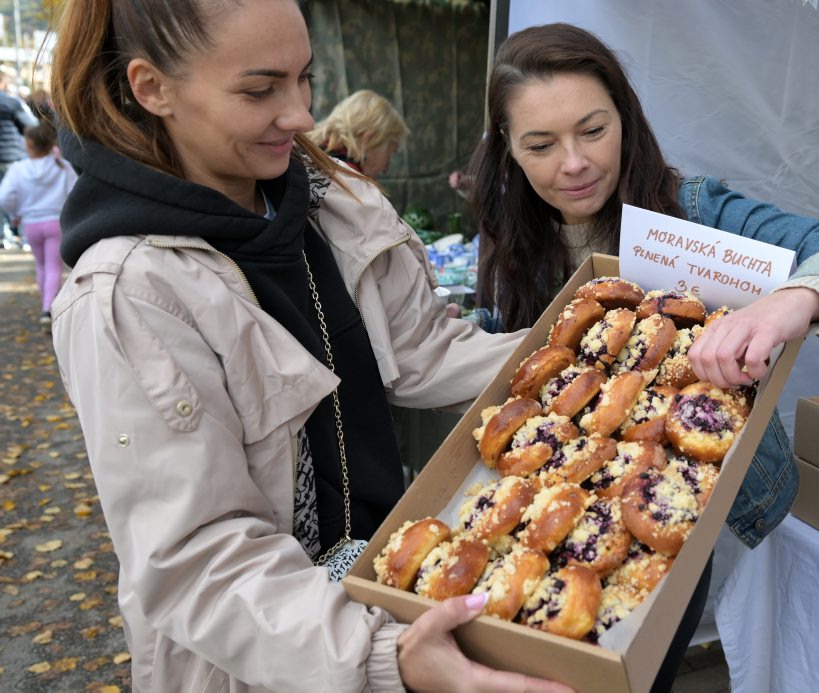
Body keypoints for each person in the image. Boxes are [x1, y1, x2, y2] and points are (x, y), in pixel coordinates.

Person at [48, 2, 570, 692]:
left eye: (306, 79)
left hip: (391, 593)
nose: (298, 115)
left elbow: (428, 350)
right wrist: (385, 658)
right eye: (260, 89)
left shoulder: (332, 202)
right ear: (153, 88)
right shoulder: (130, 294)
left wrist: (581, 346)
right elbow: (200, 559)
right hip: (268, 663)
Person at [467, 22, 819, 688]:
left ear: (626, 117)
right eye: (540, 143)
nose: (574, 163)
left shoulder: (698, 213)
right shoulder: (507, 239)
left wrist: (785, 302)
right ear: (507, 147)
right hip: (543, 523)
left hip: (674, 517)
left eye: (593, 130)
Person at [0, 122, 77, 323]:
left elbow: (4, 197)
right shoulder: (63, 166)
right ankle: (48, 308)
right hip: (56, 222)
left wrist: (14, 213)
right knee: (54, 267)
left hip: (30, 223)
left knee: (41, 266)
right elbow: (74, 192)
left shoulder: (18, 169)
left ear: (30, 145)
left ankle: (46, 305)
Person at [307, 89, 408, 177]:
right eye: (389, 154)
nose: (385, 169)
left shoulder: (304, 154)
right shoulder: (349, 181)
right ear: (368, 140)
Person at [0, 68, 38, 249]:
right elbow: (31, 125)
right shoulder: (11, 102)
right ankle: (25, 237)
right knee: (20, 198)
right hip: (13, 157)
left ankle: (4, 237)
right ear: (3, 83)